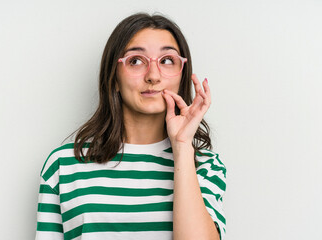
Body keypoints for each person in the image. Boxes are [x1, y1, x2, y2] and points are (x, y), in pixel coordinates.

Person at [35, 13, 226, 240]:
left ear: (182, 75)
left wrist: (183, 147)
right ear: (114, 77)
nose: (153, 76)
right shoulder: (63, 165)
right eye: (136, 61)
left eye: (167, 60)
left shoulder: (205, 166)